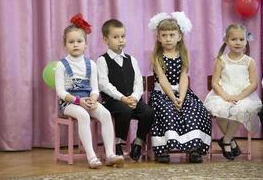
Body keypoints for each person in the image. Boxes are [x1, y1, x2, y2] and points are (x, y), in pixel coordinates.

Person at [55, 13, 124, 169]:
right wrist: (79, 101)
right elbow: (60, 92)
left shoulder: (91, 64)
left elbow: (95, 88)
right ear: (65, 45)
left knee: (105, 114)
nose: (75, 44)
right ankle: (91, 156)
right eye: (71, 42)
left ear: (85, 44)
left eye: (79, 41)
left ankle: (110, 154)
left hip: (88, 100)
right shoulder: (61, 65)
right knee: (83, 115)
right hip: (70, 103)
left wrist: (93, 99)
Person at [148, 12, 212, 163]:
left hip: (181, 92)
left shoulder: (183, 53)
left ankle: (194, 149)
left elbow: (184, 77)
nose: (168, 39)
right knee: (167, 110)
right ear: (158, 38)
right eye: (164, 35)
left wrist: (181, 97)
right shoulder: (157, 56)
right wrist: (173, 98)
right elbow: (163, 80)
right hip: (162, 94)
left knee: (196, 109)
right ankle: (163, 150)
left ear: (179, 36)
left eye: (171, 35)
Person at [97, 19, 154, 161]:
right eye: (115, 37)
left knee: (148, 111)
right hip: (112, 101)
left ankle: (138, 143)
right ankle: (117, 143)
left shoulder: (131, 60)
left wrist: (134, 97)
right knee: (125, 110)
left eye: (122, 36)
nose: (120, 40)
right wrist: (122, 98)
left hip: (131, 99)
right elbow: (104, 84)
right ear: (105, 40)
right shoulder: (102, 60)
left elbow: (138, 82)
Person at [204, 23, 262, 160]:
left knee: (240, 109)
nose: (238, 42)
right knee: (219, 110)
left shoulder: (249, 61)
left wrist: (239, 96)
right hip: (223, 93)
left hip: (244, 95)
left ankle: (226, 140)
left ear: (246, 41)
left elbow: (254, 84)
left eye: (241, 39)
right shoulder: (221, 60)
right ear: (226, 40)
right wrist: (225, 96)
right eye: (234, 39)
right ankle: (231, 141)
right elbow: (215, 82)